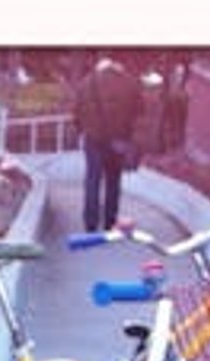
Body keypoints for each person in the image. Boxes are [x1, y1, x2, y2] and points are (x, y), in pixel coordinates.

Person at [74, 54, 144, 231]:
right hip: (118, 142)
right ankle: (109, 223)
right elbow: (139, 111)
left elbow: (76, 113)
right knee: (113, 182)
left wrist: (83, 129)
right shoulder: (130, 83)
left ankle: (90, 224)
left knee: (92, 180)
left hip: (93, 140)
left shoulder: (85, 83)